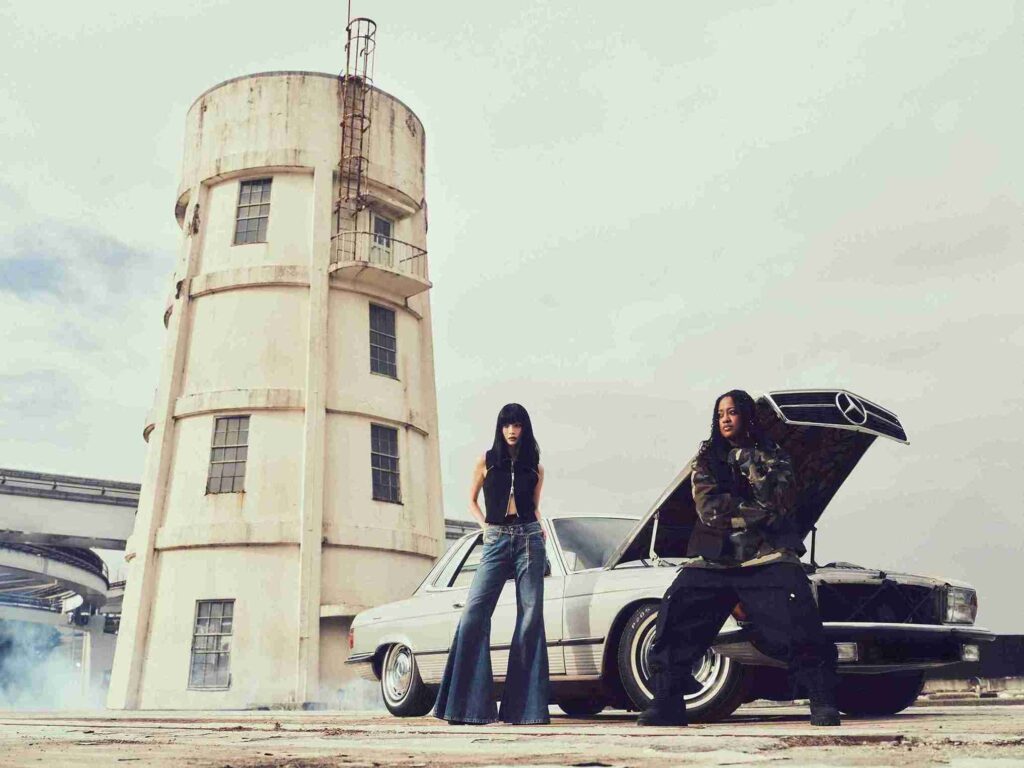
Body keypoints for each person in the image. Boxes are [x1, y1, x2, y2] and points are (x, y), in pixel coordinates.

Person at [638, 389, 841, 727]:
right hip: (715, 558)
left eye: (732, 412)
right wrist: (756, 512)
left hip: (766, 556)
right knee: (677, 608)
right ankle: (667, 702)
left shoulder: (775, 455)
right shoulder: (706, 459)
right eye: (720, 414)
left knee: (798, 616)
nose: (725, 419)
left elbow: (780, 503)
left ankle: (822, 699)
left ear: (747, 416)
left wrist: (747, 463)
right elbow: (710, 510)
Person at [433, 403, 550, 724]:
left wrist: (541, 529)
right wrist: (485, 526)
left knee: (530, 617)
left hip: (529, 538)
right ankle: (467, 708)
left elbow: (534, 507)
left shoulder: (535, 467)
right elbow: (471, 500)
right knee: (474, 613)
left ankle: (525, 711)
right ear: (500, 428)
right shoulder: (486, 460)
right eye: (507, 425)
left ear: (525, 428)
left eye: (517, 425)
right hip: (496, 537)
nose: (512, 430)